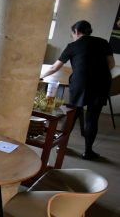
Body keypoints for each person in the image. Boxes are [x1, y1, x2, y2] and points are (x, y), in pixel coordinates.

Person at [42, 20, 115, 160]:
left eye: (72, 34)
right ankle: (88, 152)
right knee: (92, 118)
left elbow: (54, 67)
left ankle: (60, 146)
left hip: (80, 83)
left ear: (76, 31)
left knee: (72, 115)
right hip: (101, 84)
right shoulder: (103, 42)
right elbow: (111, 64)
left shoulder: (72, 46)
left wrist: (41, 77)